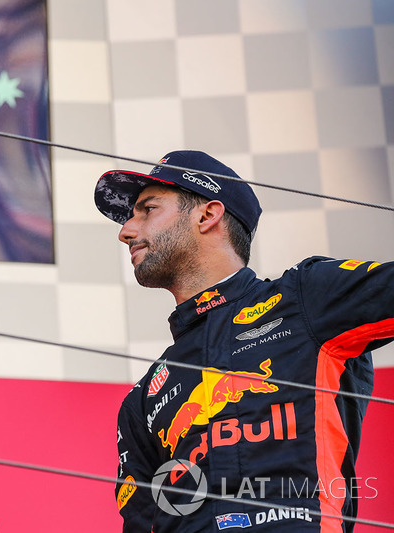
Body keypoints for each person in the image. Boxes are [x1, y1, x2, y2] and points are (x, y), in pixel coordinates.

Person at [94, 150, 389, 532]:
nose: (126, 231)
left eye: (147, 209)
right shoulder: (145, 397)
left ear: (207, 215)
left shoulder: (306, 297)